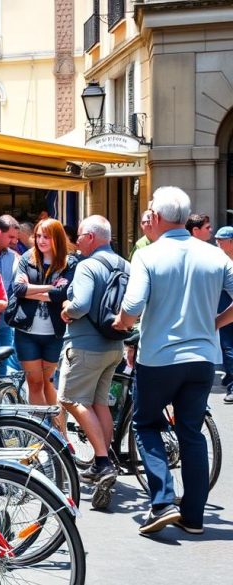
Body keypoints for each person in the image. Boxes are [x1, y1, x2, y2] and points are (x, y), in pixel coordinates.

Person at [116, 186, 233, 536]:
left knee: (147, 424)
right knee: (191, 434)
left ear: (156, 216)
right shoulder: (214, 256)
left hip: (160, 357)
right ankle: (193, 517)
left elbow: (132, 307)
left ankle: (163, 501)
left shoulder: (148, 255)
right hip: (201, 359)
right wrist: (215, 323)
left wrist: (121, 322)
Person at [59, 215, 129, 510]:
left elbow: (81, 304)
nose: (76, 243)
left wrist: (67, 308)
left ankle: (102, 460)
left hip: (86, 345)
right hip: (114, 344)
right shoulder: (124, 264)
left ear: (90, 237)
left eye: (79, 237)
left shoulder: (87, 266)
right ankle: (107, 456)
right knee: (100, 403)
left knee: (71, 399)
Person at [10, 219, 77, 411]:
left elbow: (62, 294)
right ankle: (40, 431)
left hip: (55, 334)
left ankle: (58, 434)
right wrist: (49, 288)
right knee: (35, 383)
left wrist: (32, 290)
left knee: (51, 384)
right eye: (38, 236)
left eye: (46, 236)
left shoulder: (69, 262)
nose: (41, 240)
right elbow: (19, 289)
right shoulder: (27, 258)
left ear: (56, 237)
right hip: (26, 332)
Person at [0, 215, 22, 373]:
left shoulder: (12, 256)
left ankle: (1, 394)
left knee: (4, 359)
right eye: (11, 237)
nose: (15, 241)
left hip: (5, 319)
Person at [216, 226, 233, 404]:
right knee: (227, 347)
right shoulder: (219, 259)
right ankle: (230, 377)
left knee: (229, 348)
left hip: (228, 307)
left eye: (222, 240)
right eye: (217, 240)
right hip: (224, 306)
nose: (218, 243)